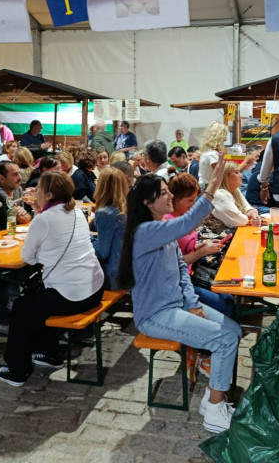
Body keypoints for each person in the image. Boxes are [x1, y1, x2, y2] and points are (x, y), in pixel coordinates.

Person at [116, 157, 242, 433]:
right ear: (148, 203)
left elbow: (182, 269)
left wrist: (193, 304)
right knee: (224, 339)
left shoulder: (162, 229)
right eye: (164, 193)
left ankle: (211, 400)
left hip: (178, 305)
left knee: (232, 330)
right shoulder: (145, 231)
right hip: (155, 315)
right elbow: (188, 222)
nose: (170, 196)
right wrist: (212, 187)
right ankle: (215, 411)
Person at [0, 172, 105, 386]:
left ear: (49, 194)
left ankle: (17, 370)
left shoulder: (44, 219)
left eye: (38, 188)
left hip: (72, 297)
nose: (34, 191)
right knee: (38, 295)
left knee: (21, 307)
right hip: (95, 289)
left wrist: (39, 220)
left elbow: (28, 258)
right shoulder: (76, 211)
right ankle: (48, 353)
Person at [166, 173, 232, 317]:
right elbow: (174, 262)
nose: (194, 204)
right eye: (190, 200)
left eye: (195, 199)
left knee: (228, 296)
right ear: (174, 198)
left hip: (192, 274)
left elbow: (184, 247)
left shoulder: (183, 216)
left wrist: (201, 245)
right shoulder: (168, 222)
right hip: (179, 282)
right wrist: (203, 252)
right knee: (226, 306)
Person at [92, 167, 129, 288]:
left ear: (102, 186)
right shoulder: (129, 208)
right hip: (131, 270)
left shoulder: (105, 213)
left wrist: (87, 238)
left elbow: (102, 253)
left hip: (114, 275)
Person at [204, 162, 260, 233]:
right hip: (219, 236)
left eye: (240, 172)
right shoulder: (220, 195)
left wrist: (253, 214)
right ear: (226, 176)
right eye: (236, 172)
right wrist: (249, 216)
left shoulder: (235, 189)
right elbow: (240, 221)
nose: (241, 175)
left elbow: (247, 207)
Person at [197, 122, 228, 189]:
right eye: (224, 136)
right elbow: (221, 174)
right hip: (208, 187)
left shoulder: (207, 151)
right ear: (219, 137)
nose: (225, 139)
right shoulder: (212, 154)